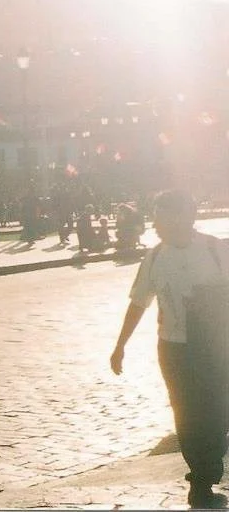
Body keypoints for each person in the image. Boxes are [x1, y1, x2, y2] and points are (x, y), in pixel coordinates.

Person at [110, 190, 229, 509]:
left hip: (215, 345)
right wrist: (120, 345)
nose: (157, 224)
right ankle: (200, 479)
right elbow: (139, 303)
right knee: (185, 412)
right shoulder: (155, 257)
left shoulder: (216, 250)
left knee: (217, 411)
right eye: (156, 217)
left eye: (163, 217)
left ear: (186, 217)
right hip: (174, 348)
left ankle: (210, 464)